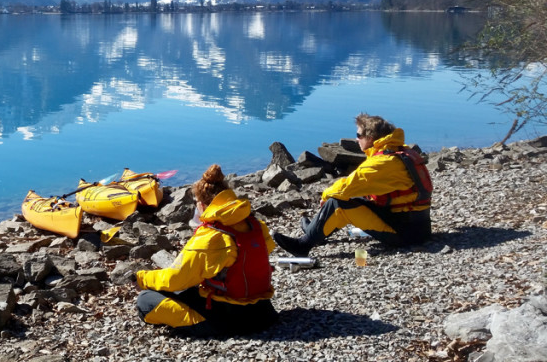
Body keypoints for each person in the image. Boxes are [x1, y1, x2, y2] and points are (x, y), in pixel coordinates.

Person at [135, 164, 278, 335]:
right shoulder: (256, 225)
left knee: (145, 300)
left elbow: (175, 279)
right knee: (185, 287)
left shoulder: (211, 237)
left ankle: (204, 325)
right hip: (264, 311)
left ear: (202, 205)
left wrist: (142, 278)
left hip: (231, 319)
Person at [272, 113, 432, 258]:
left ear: (370, 138)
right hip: (415, 226)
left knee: (337, 202)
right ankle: (316, 232)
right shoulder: (399, 153)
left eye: (358, 135)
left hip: (405, 233)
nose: (356, 139)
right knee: (350, 199)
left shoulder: (384, 163)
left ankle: (303, 245)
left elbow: (348, 185)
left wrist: (326, 196)